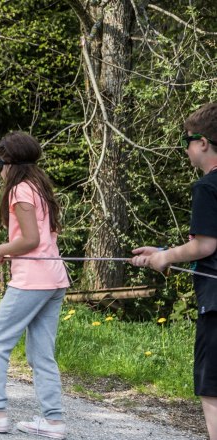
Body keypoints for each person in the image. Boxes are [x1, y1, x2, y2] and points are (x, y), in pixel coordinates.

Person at [0, 132, 69, 439]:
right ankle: (53, 421)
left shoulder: (19, 190)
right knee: (40, 353)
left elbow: (30, 240)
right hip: (54, 278)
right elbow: (41, 241)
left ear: (10, 164)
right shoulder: (39, 186)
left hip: (33, 280)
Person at [130, 102, 217, 440]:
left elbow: (205, 246)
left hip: (215, 303)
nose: (185, 149)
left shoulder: (207, 187)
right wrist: (164, 253)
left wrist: (165, 258)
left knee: (212, 387)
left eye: (187, 141)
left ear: (203, 143)